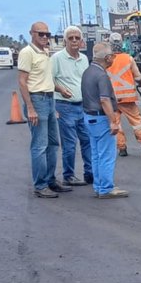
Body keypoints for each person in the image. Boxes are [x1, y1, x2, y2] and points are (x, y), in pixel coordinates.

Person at [18, 22, 72, 198]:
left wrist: (60, 89)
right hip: (37, 100)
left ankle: (50, 180)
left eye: (47, 34)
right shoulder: (27, 53)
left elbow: (45, 78)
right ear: (31, 34)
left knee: (53, 143)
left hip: (49, 99)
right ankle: (40, 185)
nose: (44, 37)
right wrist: (31, 108)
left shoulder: (45, 52)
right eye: (40, 34)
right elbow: (22, 81)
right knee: (40, 145)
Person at [82, 42, 128, 198]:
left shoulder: (88, 72)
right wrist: (113, 121)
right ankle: (106, 188)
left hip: (89, 117)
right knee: (107, 155)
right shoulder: (101, 75)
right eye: (112, 56)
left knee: (96, 154)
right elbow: (104, 100)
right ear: (108, 58)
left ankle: (99, 185)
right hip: (101, 118)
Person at [51, 25, 94, 186]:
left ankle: (90, 173)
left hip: (82, 105)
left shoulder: (83, 59)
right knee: (69, 144)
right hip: (65, 106)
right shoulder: (57, 58)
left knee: (87, 140)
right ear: (65, 41)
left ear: (81, 41)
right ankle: (68, 175)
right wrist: (60, 89)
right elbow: (49, 79)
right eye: (71, 38)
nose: (74, 41)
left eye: (77, 38)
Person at [107, 32, 141, 157]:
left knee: (116, 123)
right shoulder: (128, 58)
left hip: (112, 99)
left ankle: (122, 148)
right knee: (137, 122)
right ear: (121, 43)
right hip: (128, 98)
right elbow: (138, 77)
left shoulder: (107, 60)